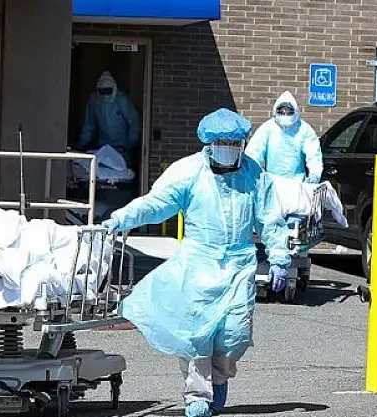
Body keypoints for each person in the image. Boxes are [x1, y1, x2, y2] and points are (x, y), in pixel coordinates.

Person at [101, 108, 291, 417]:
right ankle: (197, 395)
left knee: (235, 335)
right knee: (197, 334)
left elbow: (271, 219)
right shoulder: (188, 171)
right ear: (209, 144)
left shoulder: (254, 174)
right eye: (223, 143)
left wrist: (280, 257)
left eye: (235, 143)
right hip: (199, 261)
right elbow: (157, 203)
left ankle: (220, 378)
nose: (229, 148)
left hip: (239, 264)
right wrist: (122, 219)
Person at [244, 91, 323, 183]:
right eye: (281, 112)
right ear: (276, 111)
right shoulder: (267, 128)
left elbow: (314, 155)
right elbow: (254, 153)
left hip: (297, 183)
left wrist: (314, 175)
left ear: (295, 111)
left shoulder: (304, 129)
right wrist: (255, 176)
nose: (285, 114)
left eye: (289, 112)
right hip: (272, 183)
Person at [77, 71, 140, 165]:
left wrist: (131, 143)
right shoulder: (94, 100)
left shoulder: (121, 100)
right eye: (102, 92)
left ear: (114, 89)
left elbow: (134, 121)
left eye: (108, 91)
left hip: (122, 149)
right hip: (103, 149)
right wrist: (82, 145)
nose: (105, 95)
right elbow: (89, 125)